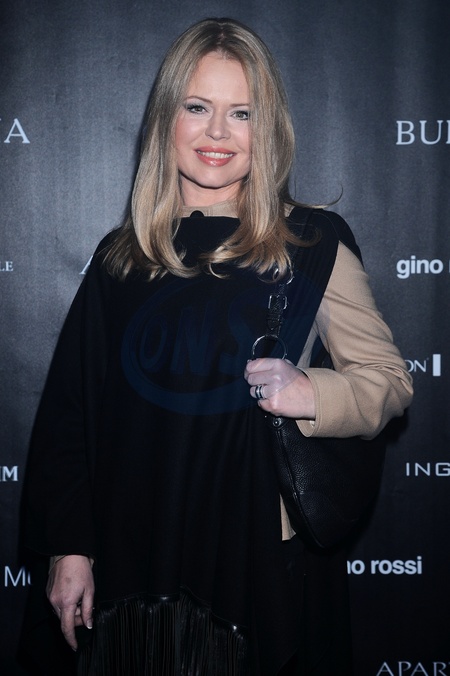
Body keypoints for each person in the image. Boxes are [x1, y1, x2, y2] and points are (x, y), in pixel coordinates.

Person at [22, 17, 413, 676]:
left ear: (268, 130)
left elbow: (389, 382)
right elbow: (71, 417)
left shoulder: (310, 244)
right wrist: (70, 549)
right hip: (132, 564)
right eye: (198, 107)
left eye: (242, 113)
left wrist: (310, 392)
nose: (218, 133)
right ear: (166, 120)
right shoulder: (122, 257)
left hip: (256, 568)